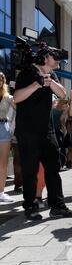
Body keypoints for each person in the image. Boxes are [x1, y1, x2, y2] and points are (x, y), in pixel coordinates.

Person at [13, 47, 72, 221]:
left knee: (53, 168)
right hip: (27, 131)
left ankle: (57, 206)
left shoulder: (52, 76)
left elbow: (62, 93)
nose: (58, 61)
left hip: (47, 130)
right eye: (54, 57)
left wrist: (49, 81)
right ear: (44, 58)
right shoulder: (27, 73)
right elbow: (17, 98)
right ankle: (31, 206)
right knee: (30, 170)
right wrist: (36, 84)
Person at [0, 72, 14, 203]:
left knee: (3, 163)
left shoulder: (8, 97)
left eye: (0, 79)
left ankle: (1, 192)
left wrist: (11, 124)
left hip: (3, 127)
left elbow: (20, 108)